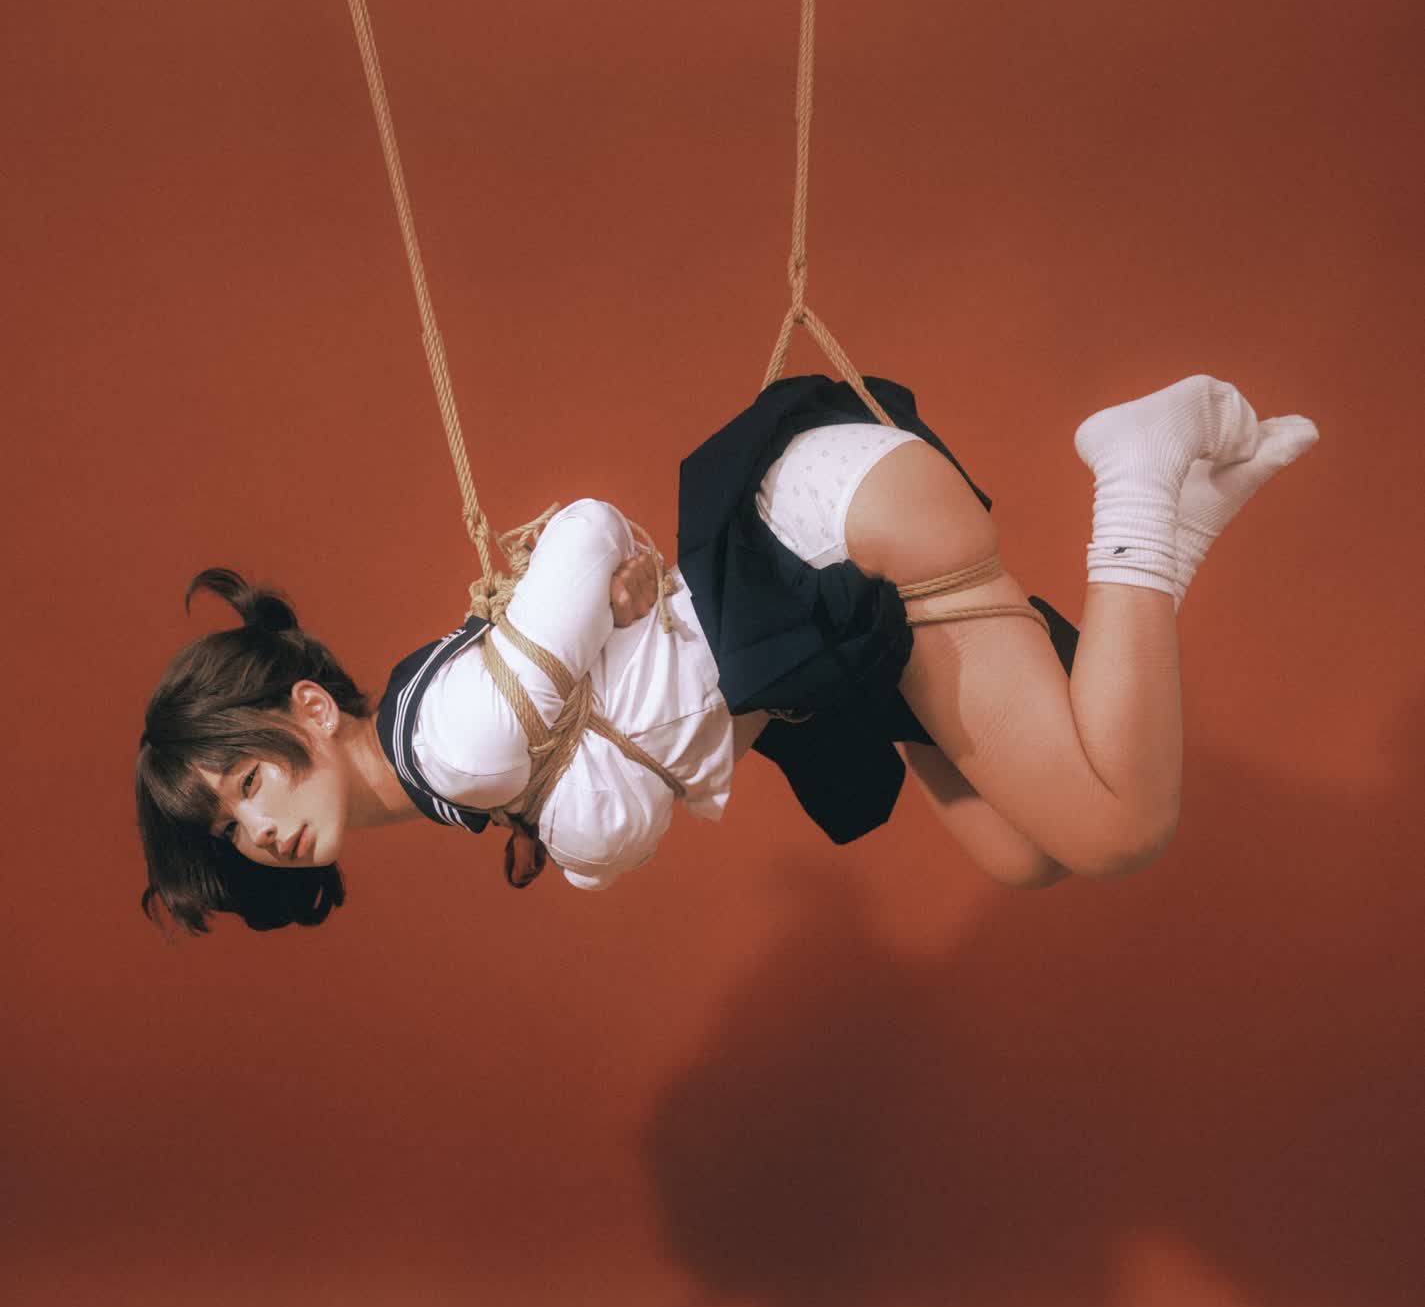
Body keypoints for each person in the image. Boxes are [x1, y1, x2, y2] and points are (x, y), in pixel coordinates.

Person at [135, 371, 1318, 937]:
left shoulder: (455, 741)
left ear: (308, 708)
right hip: (809, 569)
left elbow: (586, 526)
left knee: (1117, 828)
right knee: (1023, 854)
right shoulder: (433, 746)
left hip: (812, 545)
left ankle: (1139, 470)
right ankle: (1176, 528)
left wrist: (610, 574)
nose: (258, 828)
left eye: (247, 780)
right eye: (232, 829)